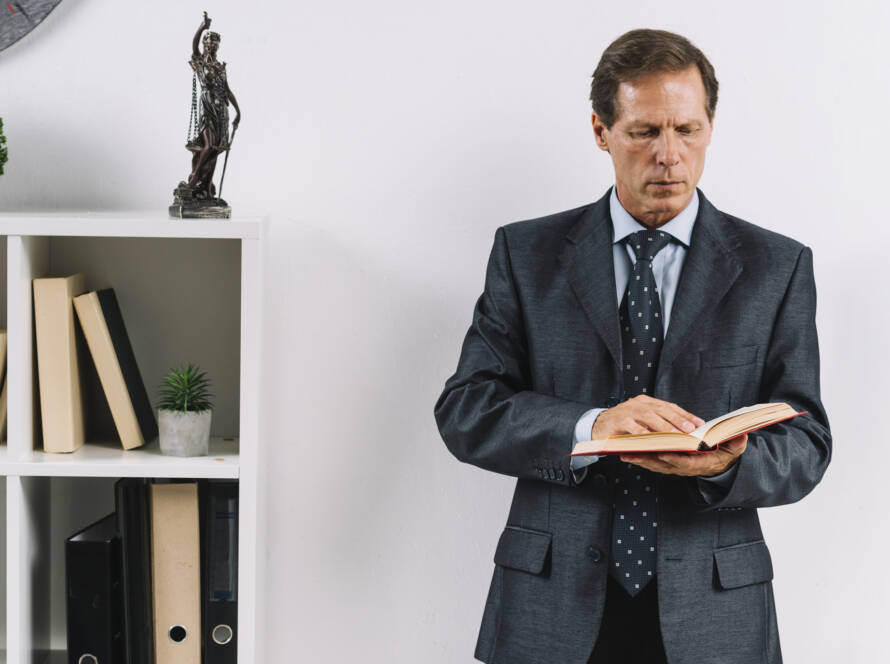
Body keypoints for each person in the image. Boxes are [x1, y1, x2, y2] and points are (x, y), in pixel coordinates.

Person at [434, 28, 831, 664]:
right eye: (645, 131)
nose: (669, 155)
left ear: (710, 127)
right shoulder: (525, 254)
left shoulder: (776, 267)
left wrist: (723, 465)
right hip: (549, 607)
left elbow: (808, 442)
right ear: (601, 130)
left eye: (687, 129)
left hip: (716, 613)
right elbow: (466, 409)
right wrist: (592, 426)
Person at [183, 11, 241, 200]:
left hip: (221, 111)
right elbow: (193, 46)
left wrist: (238, 112)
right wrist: (202, 27)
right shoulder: (201, 62)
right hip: (207, 106)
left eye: (215, 45)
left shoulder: (220, 67)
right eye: (209, 44)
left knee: (216, 148)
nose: (212, 47)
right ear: (205, 45)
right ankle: (194, 179)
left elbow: (228, 91)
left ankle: (207, 188)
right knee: (208, 145)